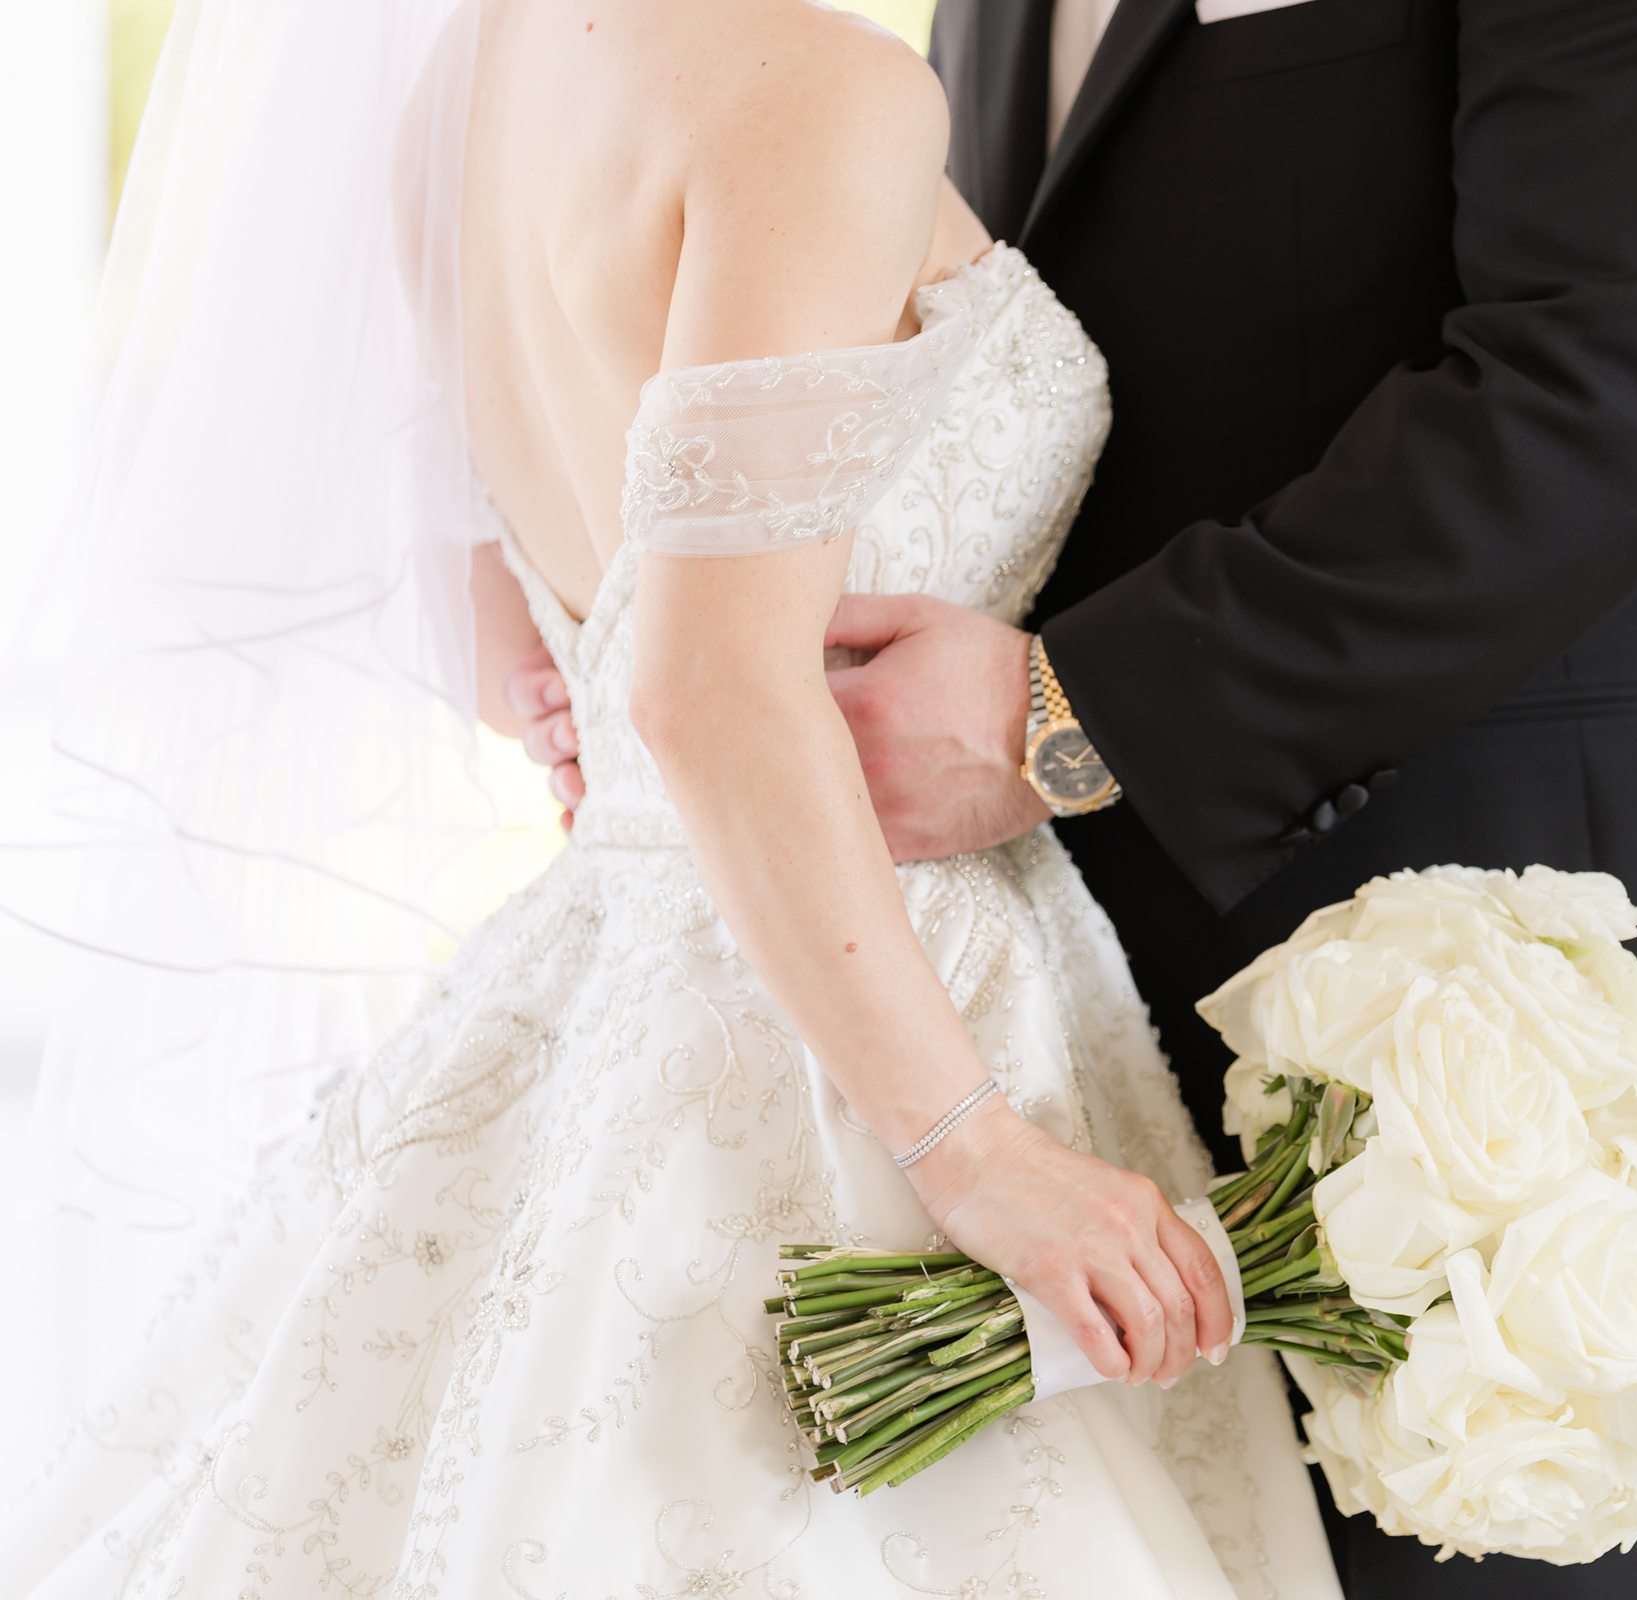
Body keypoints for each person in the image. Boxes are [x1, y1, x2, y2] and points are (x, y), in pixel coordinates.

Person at [521, 0, 1637, 1594]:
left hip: (1487, 1042)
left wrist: (1061, 721)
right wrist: (695, 662)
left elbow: (1594, 399)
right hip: (1012, 1018)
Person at [0, 0, 1338, 1593]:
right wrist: (979, 1153)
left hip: (613, 960)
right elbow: (705, 686)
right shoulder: (823, 93)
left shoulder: (472, 92)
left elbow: (534, 611)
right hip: (870, 1028)